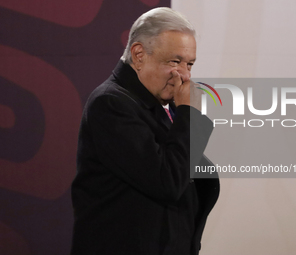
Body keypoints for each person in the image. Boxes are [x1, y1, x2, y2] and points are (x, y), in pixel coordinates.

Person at [71, 7, 219, 255]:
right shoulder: (110, 104)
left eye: (189, 64)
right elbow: (168, 181)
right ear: (138, 55)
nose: (184, 75)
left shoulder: (161, 106)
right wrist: (189, 114)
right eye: (174, 61)